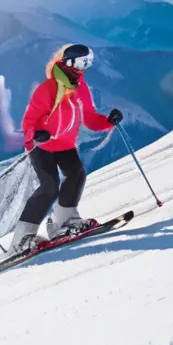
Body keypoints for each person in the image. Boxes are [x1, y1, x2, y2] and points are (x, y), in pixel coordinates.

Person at [9, 43, 123, 253]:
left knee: (77, 174)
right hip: (41, 146)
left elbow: (89, 118)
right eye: (81, 62)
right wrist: (35, 134)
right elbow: (28, 122)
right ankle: (21, 240)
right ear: (68, 62)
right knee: (49, 185)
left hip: (65, 145)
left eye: (88, 62)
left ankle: (64, 221)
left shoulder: (81, 88)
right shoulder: (47, 89)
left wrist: (109, 121)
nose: (84, 67)